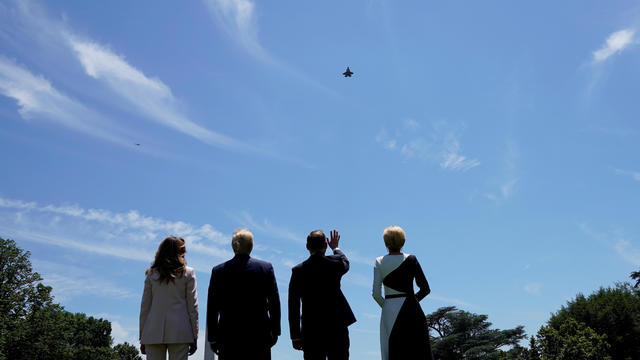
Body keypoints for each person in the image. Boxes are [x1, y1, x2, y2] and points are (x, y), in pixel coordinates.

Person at [207, 228, 281, 360]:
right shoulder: (265, 268)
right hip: (259, 335)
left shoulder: (219, 271)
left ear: (233, 246)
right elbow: (274, 302)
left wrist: (212, 338)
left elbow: (213, 307)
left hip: (228, 335)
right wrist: (275, 332)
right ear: (251, 246)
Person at [288, 230, 356, 360]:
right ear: (325, 246)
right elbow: (345, 262)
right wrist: (335, 247)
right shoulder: (335, 263)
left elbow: (293, 306)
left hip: (311, 330)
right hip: (337, 327)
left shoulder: (298, 271)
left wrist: (295, 336)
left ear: (307, 247)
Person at [372, 225, 434, 360]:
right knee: (417, 351)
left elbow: (376, 294)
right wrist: (411, 301)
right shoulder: (412, 259)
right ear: (403, 241)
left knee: (393, 350)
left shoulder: (379, 261)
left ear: (386, 242)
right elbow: (425, 289)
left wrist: (387, 305)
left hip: (389, 309)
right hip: (412, 309)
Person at [139, 236, 198, 360]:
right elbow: (193, 307)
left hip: (153, 332)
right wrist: (194, 335)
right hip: (180, 332)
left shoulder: (151, 274)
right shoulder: (188, 273)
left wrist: (142, 336)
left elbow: (145, 307)